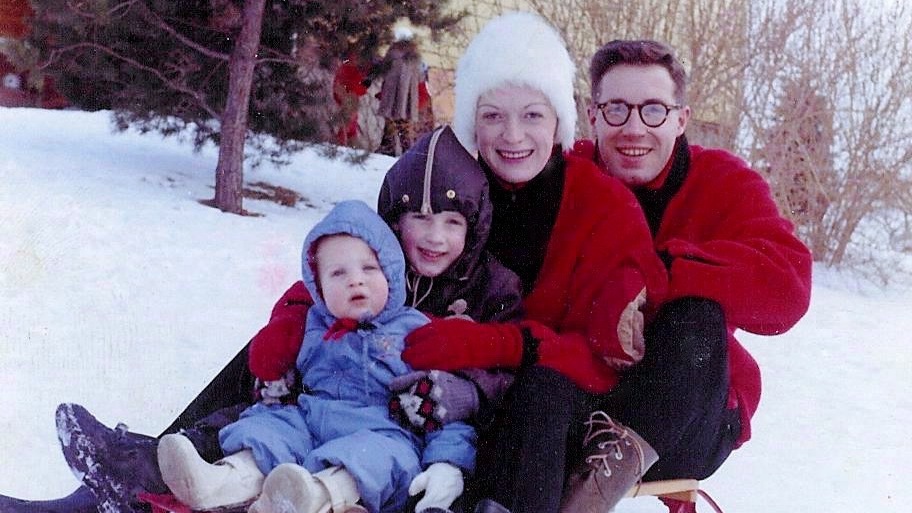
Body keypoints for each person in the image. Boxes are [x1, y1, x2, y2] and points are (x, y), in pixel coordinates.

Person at [20, 125, 525, 513]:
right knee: (268, 379)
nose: (434, 237)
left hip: (402, 440)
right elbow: (311, 291)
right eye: (419, 217)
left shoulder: (492, 286)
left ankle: (199, 478)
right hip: (317, 410)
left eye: (452, 221)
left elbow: (507, 366)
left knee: (362, 451)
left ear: (474, 226)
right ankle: (163, 469)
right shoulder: (369, 261)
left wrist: (464, 392)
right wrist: (288, 324)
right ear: (393, 222)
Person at [393, 11, 670, 513]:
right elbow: (366, 258)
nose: (512, 135)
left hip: (556, 412)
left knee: (541, 393)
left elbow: (608, 361)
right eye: (492, 116)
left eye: (533, 115)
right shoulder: (448, 185)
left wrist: (495, 344)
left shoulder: (604, 207)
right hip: (443, 391)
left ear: (559, 120)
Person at [553, 39, 813, 512]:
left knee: (696, 312)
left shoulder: (724, 181)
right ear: (592, 116)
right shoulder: (565, 174)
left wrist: (660, 273)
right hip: (585, 405)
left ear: (681, 119)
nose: (634, 128)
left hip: (690, 418)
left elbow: (789, 290)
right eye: (616, 109)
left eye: (654, 110)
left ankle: (585, 501)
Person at [154, 199, 475, 513]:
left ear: (391, 274)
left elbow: (445, 408)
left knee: (375, 458)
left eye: (369, 268)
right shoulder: (312, 325)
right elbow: (277, 371)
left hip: (383, 431)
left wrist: (447, 462)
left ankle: (317, 496)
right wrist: (276, 383)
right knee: (270, 428)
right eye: (338, 273)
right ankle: (222, 482)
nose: (356, 279)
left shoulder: (417, 330)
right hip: (312, 418)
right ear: (318, 287)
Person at [376, 28, 423, 156]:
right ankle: (406, 151)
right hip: (408, 97)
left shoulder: (394, 52)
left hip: (392, 95)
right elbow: (421, 77)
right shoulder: (416, 56)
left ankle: (388, 148)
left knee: (391, 122)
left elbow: (384, 69)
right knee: (404, 125)